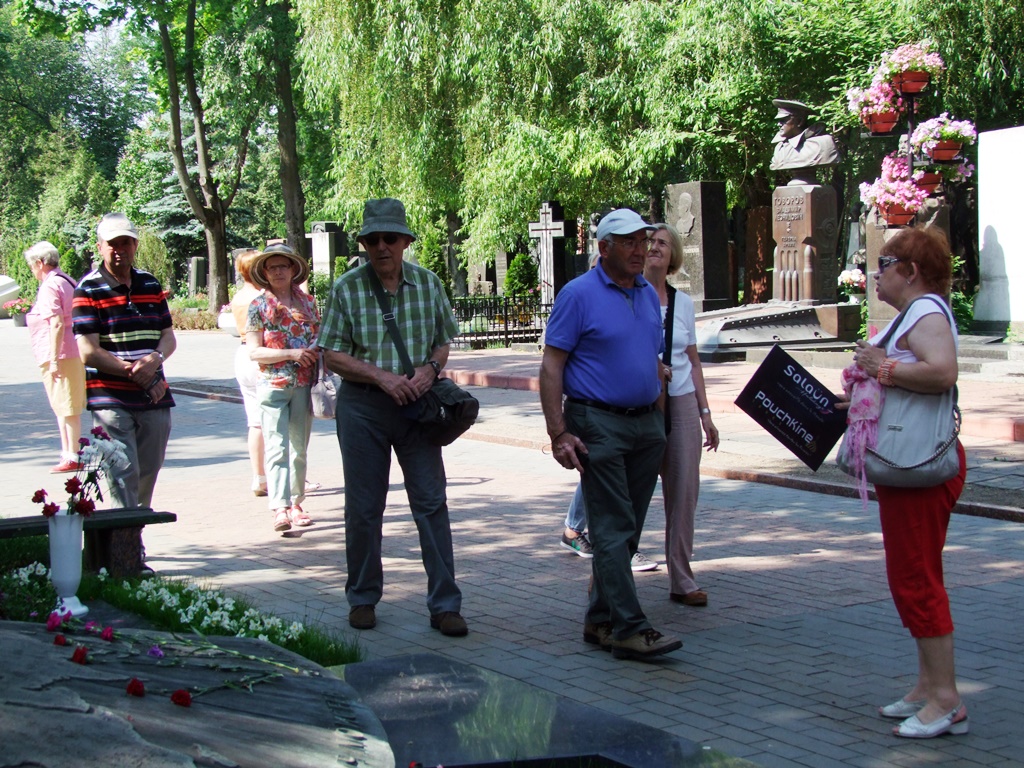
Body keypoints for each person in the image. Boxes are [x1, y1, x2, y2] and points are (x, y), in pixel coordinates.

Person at [319, 198, 467, 637]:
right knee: (364, 507)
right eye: (372, 239)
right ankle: (362, 597)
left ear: (404, 241)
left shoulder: (428, 283)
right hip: (364, 406)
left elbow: (443, 342)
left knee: (431, 503)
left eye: (390, 238)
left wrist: (430, 370)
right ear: (364, 244)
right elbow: (331, 354)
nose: (381, 246)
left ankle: (445, 604)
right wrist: (381, 377)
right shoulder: (346, 288)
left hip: (417, 407)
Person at [540, 207, 681, 661]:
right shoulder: (578, 294)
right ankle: (630, 628)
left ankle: (600, 620)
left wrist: (660, 423)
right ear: (604, 248)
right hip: (596, 422)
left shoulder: (645, 293)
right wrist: (558, 432)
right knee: (613, 526)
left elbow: (653, 360)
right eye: (630, 243)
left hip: (645, 422)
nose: (641, 250)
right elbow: (551, 366)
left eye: (644, 241)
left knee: (628, 529)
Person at [844, 228, 968, 739]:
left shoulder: (927, 313)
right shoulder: (914, 315)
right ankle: (926, 686)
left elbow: (942, 373)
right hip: (907, 463)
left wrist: (883, 367)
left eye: (885, 262)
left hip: (919, 467)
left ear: (911, 271)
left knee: (917, 580)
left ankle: (946, 701)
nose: (876, 272)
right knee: (912, 576)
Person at [73, 213, 176, 509]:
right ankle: (125, 545)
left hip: (154, 396)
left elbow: (168, 338)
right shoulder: (88, 289)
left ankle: (134, 531)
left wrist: (155, 359)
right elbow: (88, 351)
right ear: (100, 247)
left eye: (126, 242)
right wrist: (137, 372)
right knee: (121, 474)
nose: (120, 249)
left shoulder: (150, 284)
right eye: (112, 243)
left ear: (135, 245)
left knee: (148, 471)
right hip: (111, 399)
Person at [643, 223, 720, 606]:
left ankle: (682, 579)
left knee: (684, 493)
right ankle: (608, 579)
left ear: (673, 255)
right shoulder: (628, 295)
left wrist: (706, 412)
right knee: (631, 495)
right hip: (640, 404)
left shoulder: (683, 303)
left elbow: (692, 358)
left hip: (682, 401)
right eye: (649, 242)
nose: (654, 247)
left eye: (662, 243)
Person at [245, 244, 319, 533]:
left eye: (283, 266)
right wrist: (291, 354)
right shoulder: (258, 307)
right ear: (264, 272)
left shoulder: (308, 304)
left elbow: (318, 337)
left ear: (292, 270)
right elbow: (254, 352)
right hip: (272, 385)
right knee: (276, 447)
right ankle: (280, 507)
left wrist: (313, 351)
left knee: (299, 448)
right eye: (272, 266)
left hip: (303, 384)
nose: (277, 271)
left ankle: (297, 502)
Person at [24, 241, 87, 473]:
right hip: (69, 352)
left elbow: (57, 322)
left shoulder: (51, 285)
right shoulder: (65, 279)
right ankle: (68, 453)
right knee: (63, 406)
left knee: (67, 406)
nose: (32, 270)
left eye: (32, 265)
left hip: (62, 354)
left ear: (40, 263)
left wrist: (53, 358)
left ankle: (72, 455)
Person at [230, 249, 268, 497]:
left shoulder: (238, 297)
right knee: (277, 421)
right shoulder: (261, 297)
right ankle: (289, 477)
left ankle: (259, 477)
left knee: (255, 422)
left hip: (243, 354)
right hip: (262, 355)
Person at [769, 99, 841, 179]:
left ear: (800, 121)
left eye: (783, 120)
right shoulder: (780, 149)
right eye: (779, 120)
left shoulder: (823, 144)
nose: (779, 124)